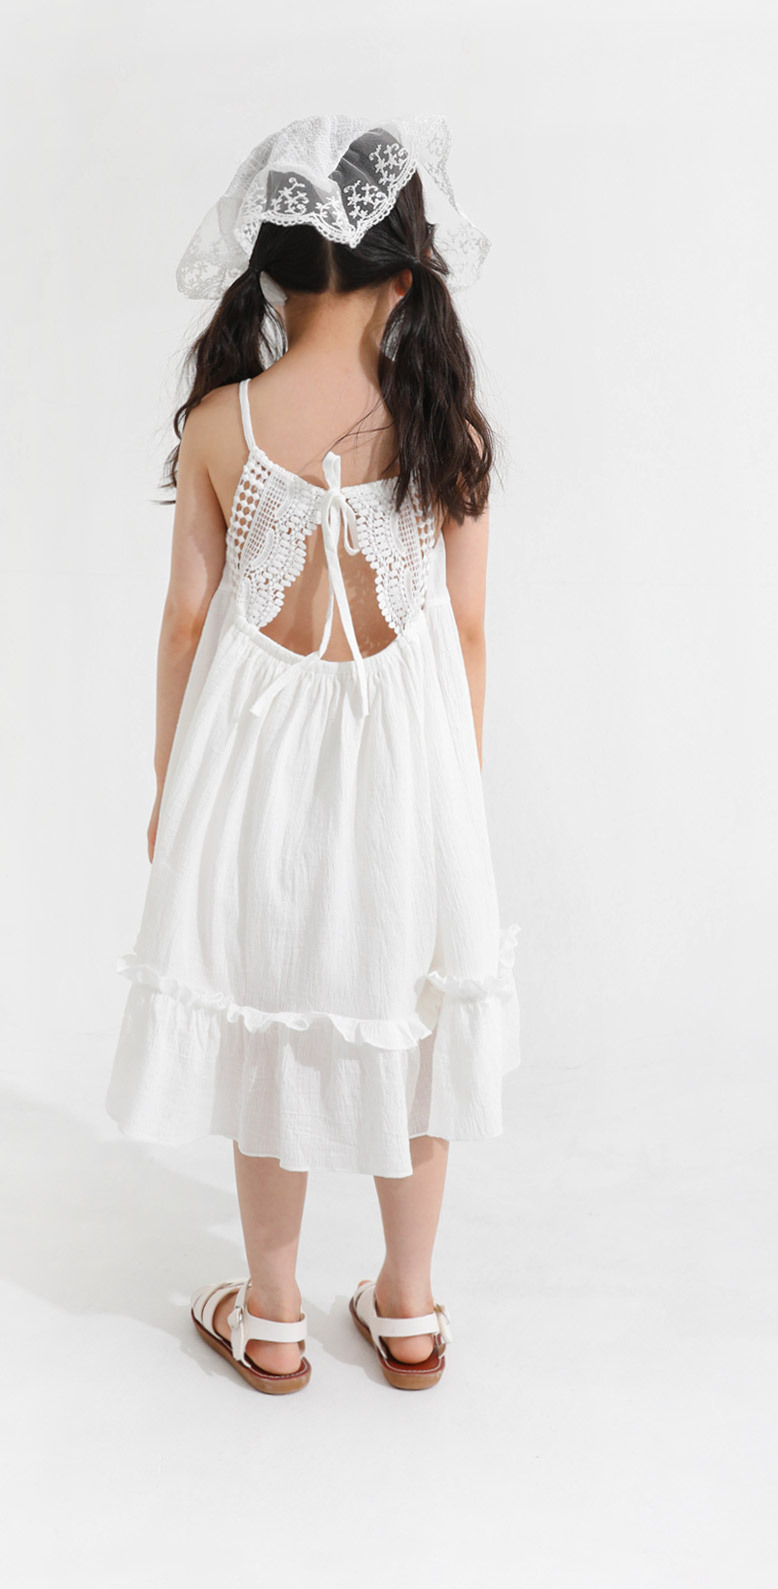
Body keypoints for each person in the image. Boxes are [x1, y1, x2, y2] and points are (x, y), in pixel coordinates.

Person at [106, 114, 520, 1397]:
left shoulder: (221, 423)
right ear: (404, 276)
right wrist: (459, 790)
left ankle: (275, 1312)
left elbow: (186, 623)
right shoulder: (442, 423)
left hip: (255, 770)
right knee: (416, 1021)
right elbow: (466, 630)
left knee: (269, 1015)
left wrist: (170, 784)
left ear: (272, 267)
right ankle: (408, 1303)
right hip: (412, 771)